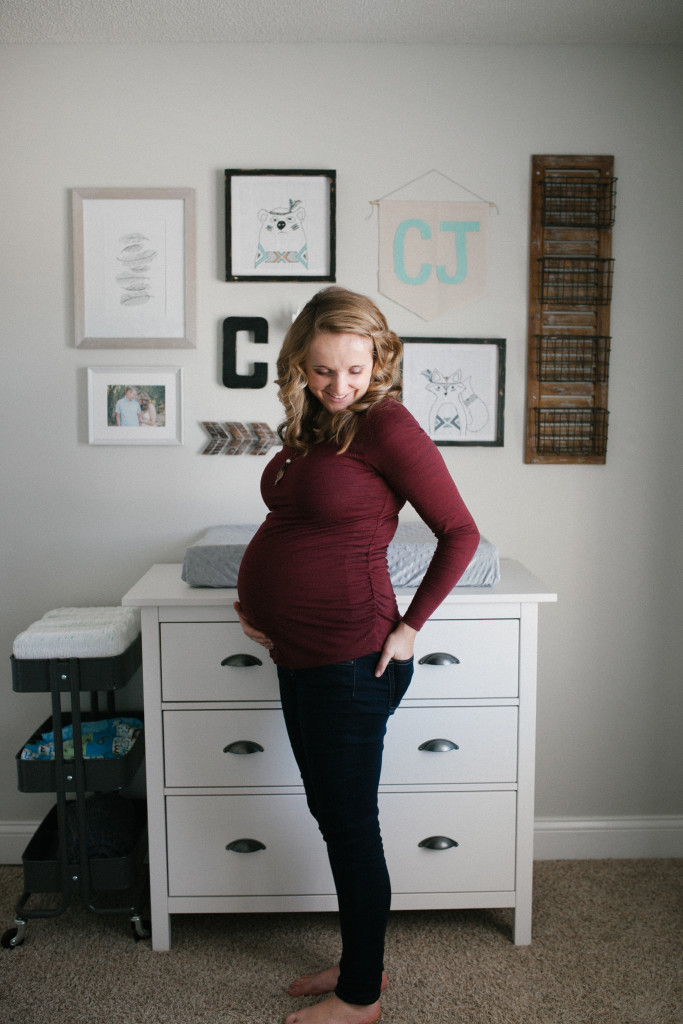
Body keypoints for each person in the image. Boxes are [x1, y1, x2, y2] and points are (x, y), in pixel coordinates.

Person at [235, 287, 479, 1024]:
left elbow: (459, 532)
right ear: (297, 367)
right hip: (301, 654)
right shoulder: (314, 428)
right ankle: (357, 959)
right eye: (319, 371)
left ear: (378, 361)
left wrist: (408, 628)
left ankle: (361, 996)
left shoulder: (387, 425)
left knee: (347, 823)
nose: (338, 386)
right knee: (330, 811)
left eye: (352, 370)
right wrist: (256, 604)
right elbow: (300, 530)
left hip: (351, 660)